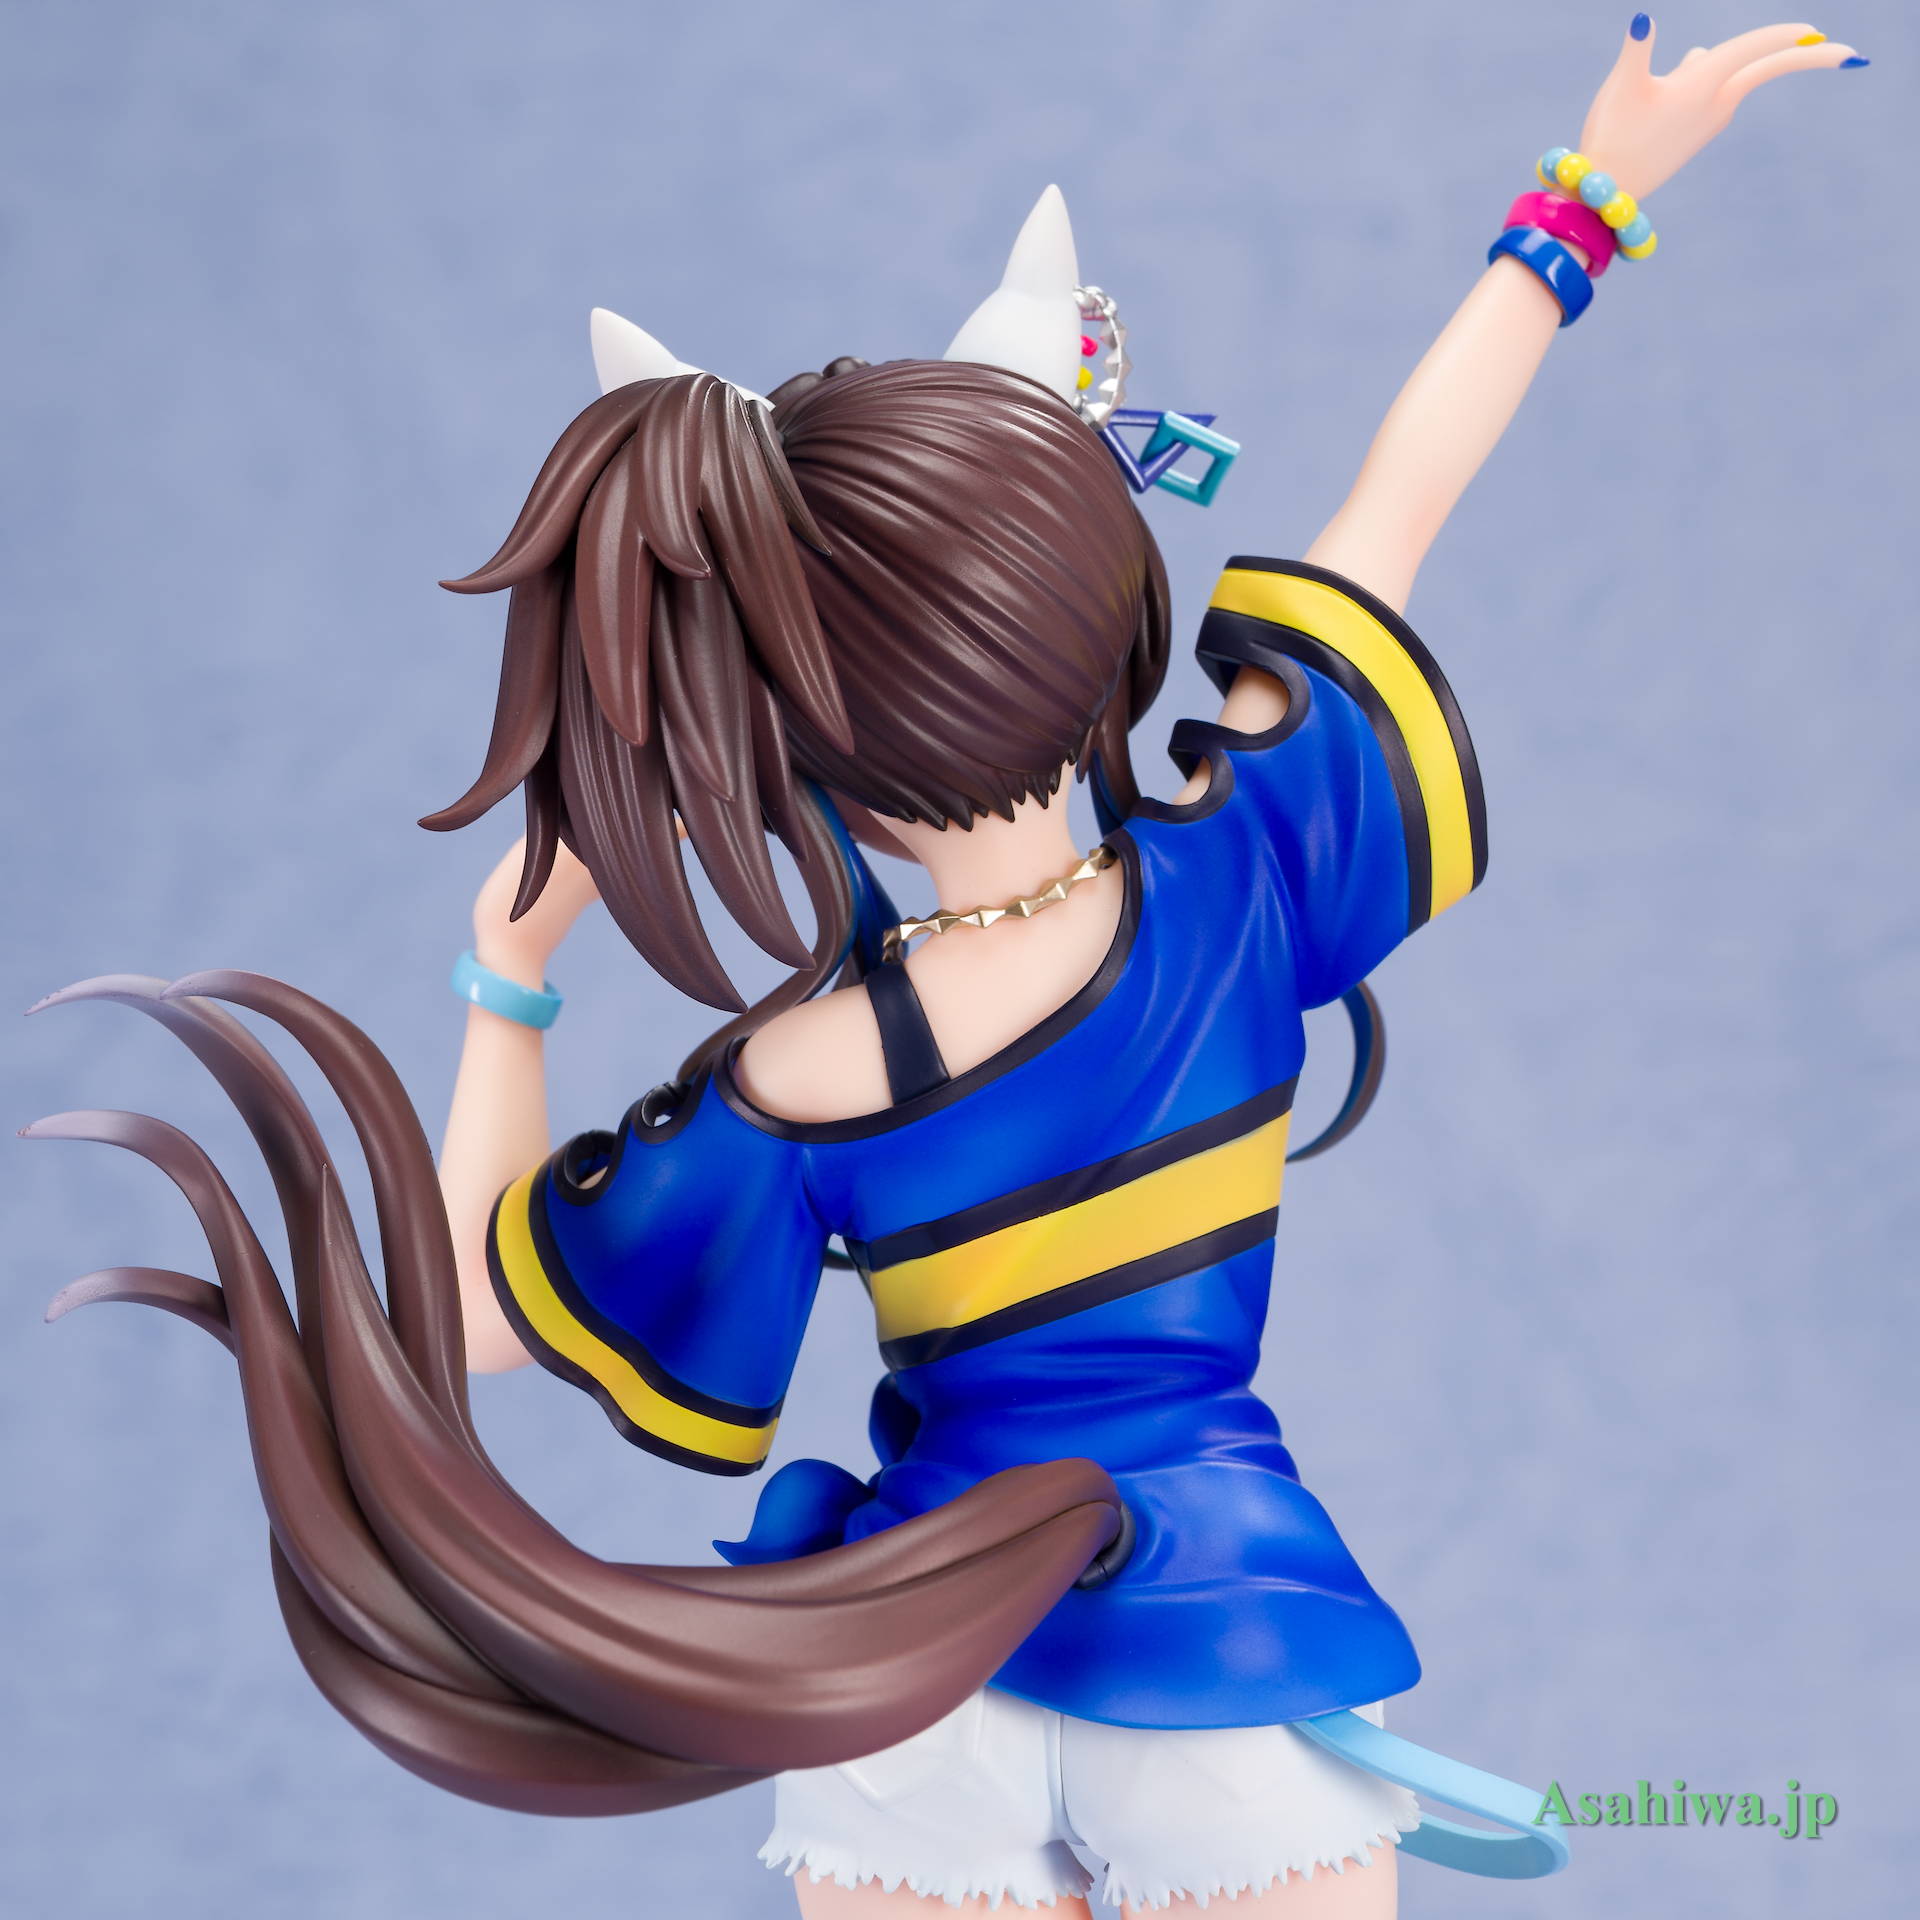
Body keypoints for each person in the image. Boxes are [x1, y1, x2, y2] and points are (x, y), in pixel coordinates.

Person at [29, 16, 1864, 1918]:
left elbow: (477, 1312)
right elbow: (1395, 508)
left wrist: (507, 988)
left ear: (792, 726)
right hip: (1222, 1640)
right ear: (1099, 581)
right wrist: (1583, 203)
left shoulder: (806, 1071)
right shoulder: (1238, 889)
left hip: (909, 1685)